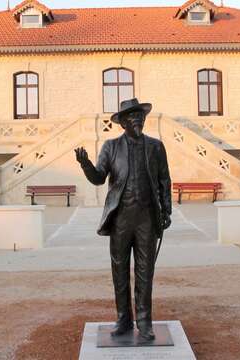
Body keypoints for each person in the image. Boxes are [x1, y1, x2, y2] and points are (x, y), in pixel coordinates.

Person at [74, 98, 172, 341]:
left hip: (147, 218)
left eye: (139, 114)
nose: (137, 118)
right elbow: (98, 178)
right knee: (119, 271)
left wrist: (166, 211)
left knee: (144, 271)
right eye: (131, 116)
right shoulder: (110, 147)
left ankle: (145, 321)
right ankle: (123, 320)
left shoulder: (156, 147)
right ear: (122, 123)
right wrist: (85, 163)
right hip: (121, 218)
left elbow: (164, 181)